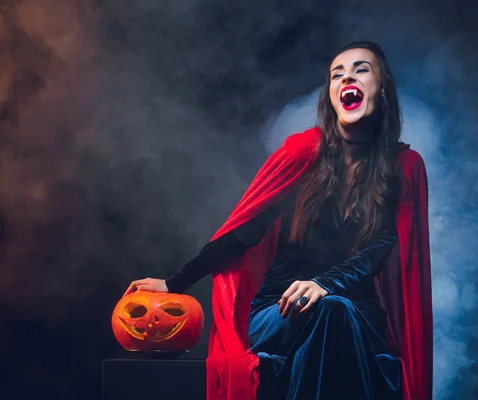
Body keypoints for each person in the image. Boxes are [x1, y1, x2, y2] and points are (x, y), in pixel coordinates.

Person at [123, 41, 432, 400]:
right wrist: (175, 282)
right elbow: (243, 232)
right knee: (327, 311)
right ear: (331, 93)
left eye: (361, 69)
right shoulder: (303, 153)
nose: (347, 76)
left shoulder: (404, 167)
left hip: (358, 319)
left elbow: (381, 247)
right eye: (337, 74)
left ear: (383, 85)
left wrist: (323, 284)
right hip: (279, 314)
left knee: (332, 310)